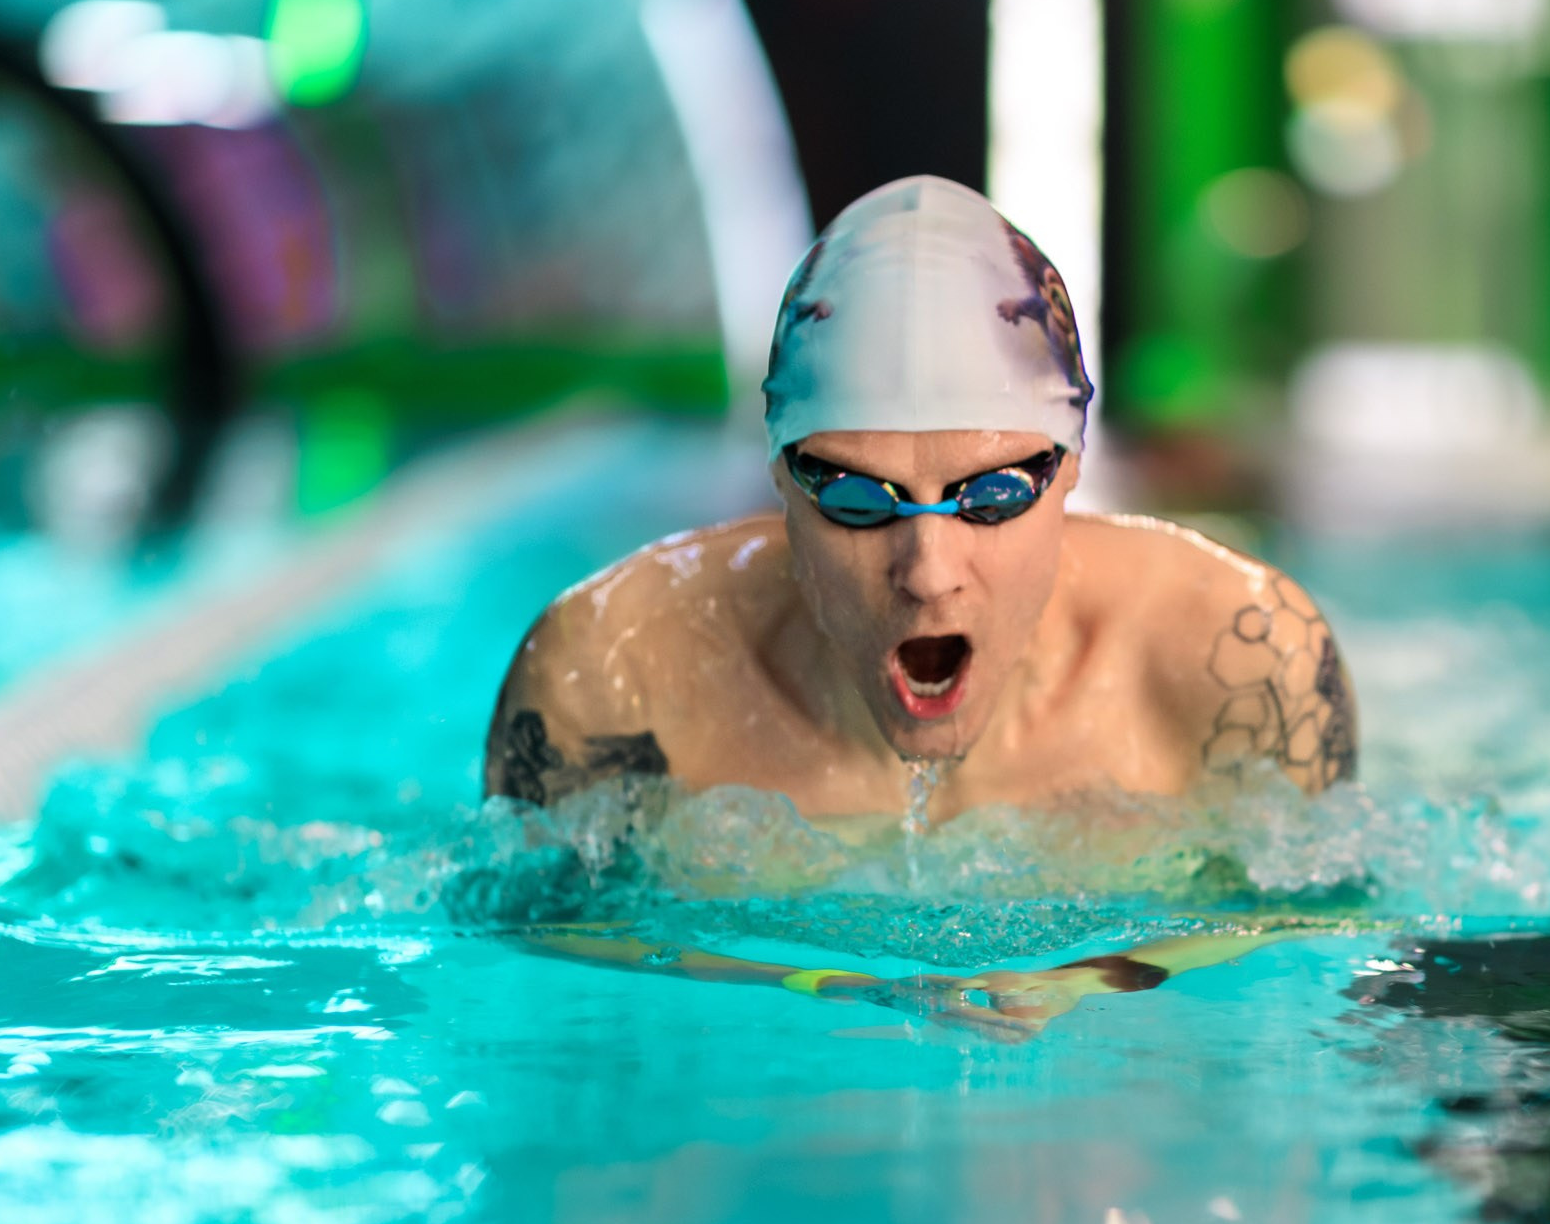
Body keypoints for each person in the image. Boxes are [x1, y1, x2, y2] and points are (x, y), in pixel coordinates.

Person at [483, 176, 1356, 1032]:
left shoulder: (1234, 659)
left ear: (1074, 469)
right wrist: (815, 980)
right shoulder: (608, 672)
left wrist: (1098, 976)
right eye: (861, 501)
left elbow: (1316, 932)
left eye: (994, 495)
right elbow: (536, 949)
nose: (929, 570)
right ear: (781, 479)